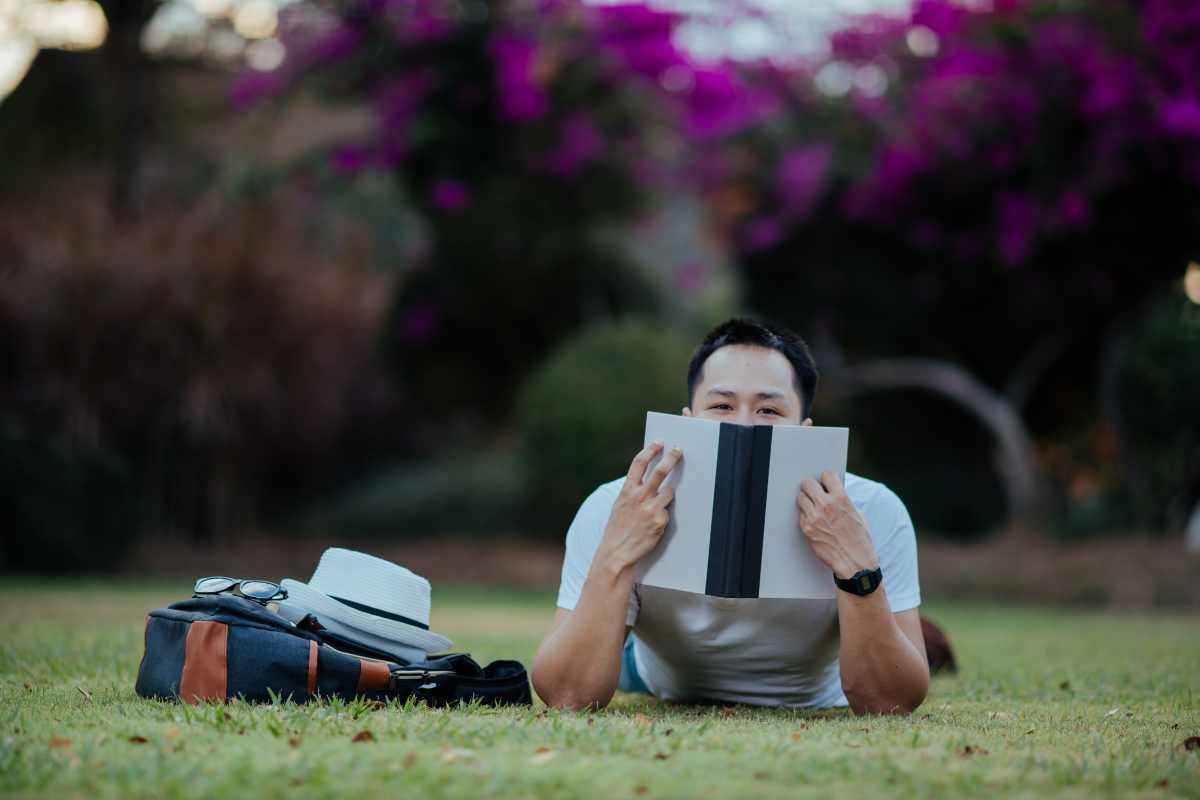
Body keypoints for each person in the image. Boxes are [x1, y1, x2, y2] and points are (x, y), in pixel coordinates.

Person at [531, 318, 929, 714]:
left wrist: (856, 568)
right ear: (688, 420)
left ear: (805, 430)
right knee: (622, 651)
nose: (743, 425)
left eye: (768, 410)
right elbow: (568, 695)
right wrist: (615, 555)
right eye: (722, 406)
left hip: (815, 687)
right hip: (653, 669)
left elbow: (890, 701)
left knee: (902, 641)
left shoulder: (872, 509)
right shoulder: (613, 506)